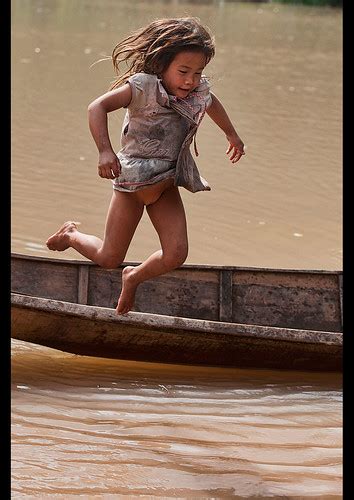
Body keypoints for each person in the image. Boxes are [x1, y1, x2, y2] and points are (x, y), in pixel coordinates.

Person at [46, 17, 245, 315]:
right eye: (183, 71)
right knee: (109, 257)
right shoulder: (141, 87)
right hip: (130, 186)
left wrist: (231, 133)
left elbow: (211, 102)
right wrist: (105, 152)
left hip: (165, 185)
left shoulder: (196, 92)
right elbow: (96, 107)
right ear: (162, 65)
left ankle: (134, 276)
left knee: (176, 253)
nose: (190, 80)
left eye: (198, 72)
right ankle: (70, 234)